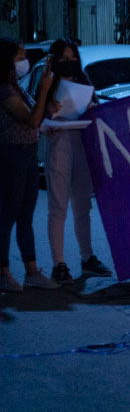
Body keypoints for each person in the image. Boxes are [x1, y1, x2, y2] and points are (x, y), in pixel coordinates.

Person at [43, 39, 112, 284]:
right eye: (64, 57)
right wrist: (47, 110)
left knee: (83, 206)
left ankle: (87, 257)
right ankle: (59, 263)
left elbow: (96, 109)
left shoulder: (84, 81)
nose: (69, 62)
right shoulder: (47, 83)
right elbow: (36, 118)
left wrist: (91, 106)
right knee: (58, 206)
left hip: (81, 144)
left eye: (73, 57)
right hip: (59, 143)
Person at [0, 38, 59, 291]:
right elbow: (30, 121)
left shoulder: (17, 87)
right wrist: (44, 91)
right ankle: (4, 272)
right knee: (7, 216)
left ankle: (32, 272)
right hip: (11, 154)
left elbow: (36, 116)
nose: (24, 61)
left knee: (25, 215)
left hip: (28, 154)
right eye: (20, 56)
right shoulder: (4, 90)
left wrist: (47, 106)